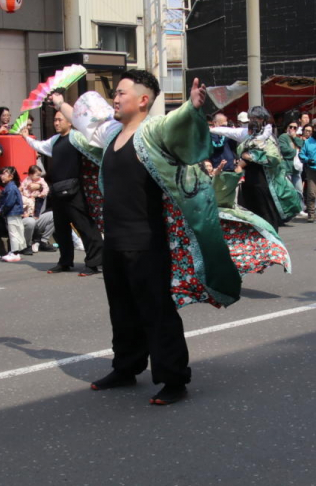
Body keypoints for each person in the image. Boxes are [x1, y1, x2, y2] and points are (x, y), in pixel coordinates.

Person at [74, 72, 236, 406]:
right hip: (115, 241)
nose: (114, 99)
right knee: (121, 310)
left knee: (156, 311)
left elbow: (177, 124)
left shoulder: (153, 131)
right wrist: (61, 103)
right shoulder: (114, 134)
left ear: (143, 100)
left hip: (147, 241)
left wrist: (192, 107)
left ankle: (174, 378)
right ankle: (126, 367)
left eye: (120, 93)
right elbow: (86, 124)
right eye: (114, 94)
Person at [22, 92, 104, 275]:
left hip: (75, 189)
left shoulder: (78, 137)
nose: (56, 122)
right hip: (57, 190)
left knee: (85, 227)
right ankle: (65, 261)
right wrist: (26, 137)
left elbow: (97, 152)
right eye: (55, 120)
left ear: (69, 121)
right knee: (61, 229)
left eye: (60, 119)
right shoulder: (55, 140)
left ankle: (94, 263)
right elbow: (40, 146)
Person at [0, 166, 27, 261]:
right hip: (15, 212)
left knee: (13, 232)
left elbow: (9, 202)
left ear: (10, 176)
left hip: (12, 213)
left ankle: (14, 252)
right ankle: (16, 252)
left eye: (4, 174)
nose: (1, 176)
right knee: (18, 231)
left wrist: (1, 210)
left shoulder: (10, 188)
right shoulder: (12, 187)